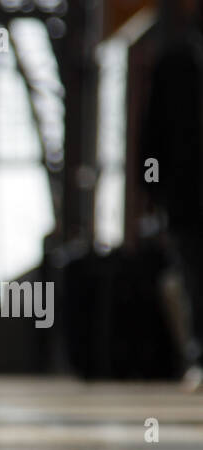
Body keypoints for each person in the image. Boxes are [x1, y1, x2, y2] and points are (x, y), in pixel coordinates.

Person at [143, 0, 203, 388]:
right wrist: (154, 192)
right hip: (186, 198)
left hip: (182, 196)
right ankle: (199, 353)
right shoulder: (174, 66)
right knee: (194, 278)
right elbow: (153, 136)